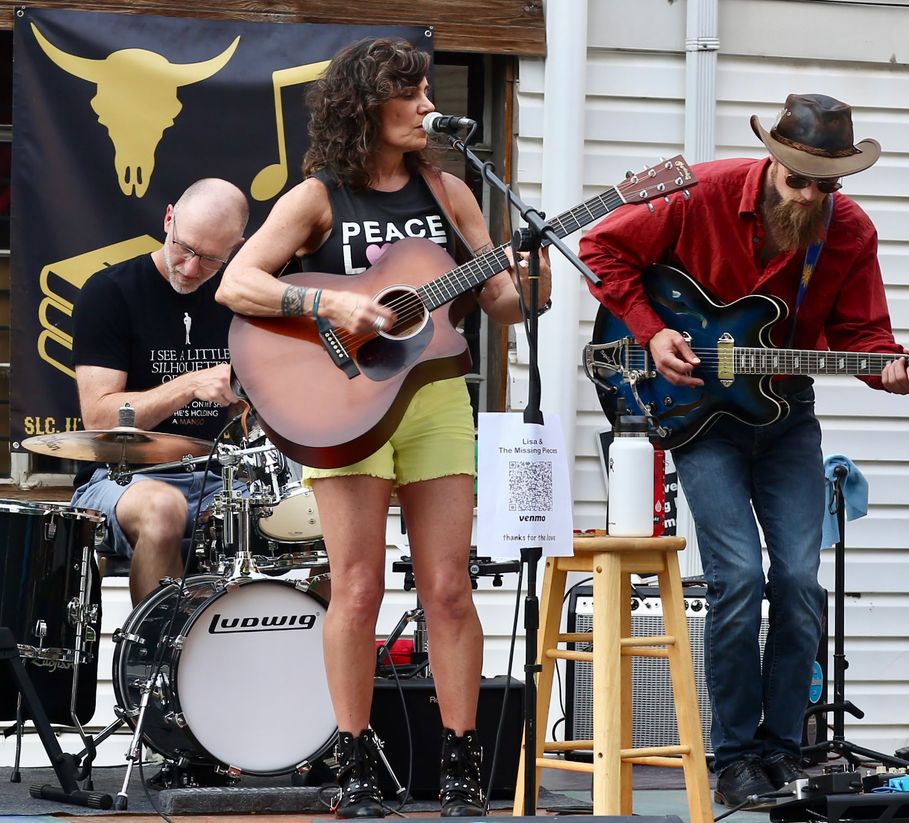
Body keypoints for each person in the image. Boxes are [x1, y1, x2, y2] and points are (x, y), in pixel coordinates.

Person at [215, 37, 551, 819]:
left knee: (448, 587)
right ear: (368, 104)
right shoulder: (318, 196)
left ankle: (462, 762)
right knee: (359, 587)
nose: (429, 105)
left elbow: (501, 302)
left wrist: (533, 269)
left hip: (435, 399)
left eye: (430, 89)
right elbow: (240, 281)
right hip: (345, 404)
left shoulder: (449, 190)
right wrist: (329, 304)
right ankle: (354, 757)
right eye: (412, 93)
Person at [579, 94, 909, 809]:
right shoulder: (700, 192)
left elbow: (863, 340)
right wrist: (648, 330)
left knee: (800, 581)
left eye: (825, 185)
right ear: (772, 158)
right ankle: (734, 754)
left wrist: (893, 369)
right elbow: (600, 248)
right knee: (737, 578)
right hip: (698, 418)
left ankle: (782, 749)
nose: (811, 196)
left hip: (786, 417)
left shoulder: (850, 230)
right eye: (798, 178)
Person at [71, 178, 249, 607]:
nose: (189, 268)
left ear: (237, 248)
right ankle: (154, 664)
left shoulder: (241, 299)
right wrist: (190, 385)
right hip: (121, 475)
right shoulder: (110, 291)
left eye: (210, 259)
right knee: (164, 509)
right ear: (168, 218)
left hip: (217, 474)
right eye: (184, 248)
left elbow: (252, 414)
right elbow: (98, 418)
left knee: (317, 518)